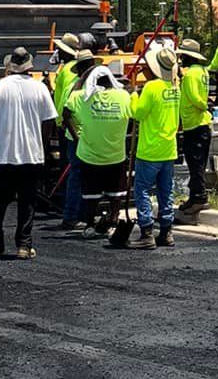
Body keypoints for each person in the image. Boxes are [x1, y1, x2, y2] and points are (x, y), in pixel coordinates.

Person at [0, 48, 57, 260]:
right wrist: (43, 145)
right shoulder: (40, 88)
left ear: (10, 66)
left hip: (2, 157)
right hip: (32, 157)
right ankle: (23, 246)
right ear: (29, 66)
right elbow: (49, 121)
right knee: (27, 203)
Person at [67, 62, 133, 245]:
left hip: (90, 155)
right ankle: (112, 222)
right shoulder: (123, 97)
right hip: (115, 155)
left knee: (90, 193)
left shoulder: (83, 97)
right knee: (116, 193)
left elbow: (66, 112)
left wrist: (76, 136)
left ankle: (89, 225)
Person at [129, 42, 181, 248]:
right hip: (169, 148)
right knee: (165, 191)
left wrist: (133, 95)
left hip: (150, 150)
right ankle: (167, 232)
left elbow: (138, 113)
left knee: (141, 190)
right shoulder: (175, 86)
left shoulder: (151, 87)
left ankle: (147, 232)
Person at [54, 35, 94, 231]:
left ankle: (71, 210)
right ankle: (75, 211)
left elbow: (63, 100)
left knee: (73, 170)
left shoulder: (67, 72)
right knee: (77, 171)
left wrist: (61, 121)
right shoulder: (71, 73)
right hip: (75, 129)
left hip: (70, 128)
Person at [176, 40, 212, 218]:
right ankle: (194, 196)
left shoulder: (190, 75)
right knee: (197, 163)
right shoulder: (203, 71)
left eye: (182, 55)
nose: (181, 58)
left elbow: (195, 98)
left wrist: (204, 106)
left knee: (195, 164)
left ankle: (199, 198)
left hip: (195, 124)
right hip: (201, 124)